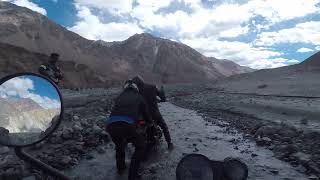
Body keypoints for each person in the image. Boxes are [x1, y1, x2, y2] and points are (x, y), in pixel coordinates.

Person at [107, 80, 153, 180]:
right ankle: (133, 175)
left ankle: (120, 168)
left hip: (111, 125)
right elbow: (145, 113)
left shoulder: (119, 97)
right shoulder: (139, 97)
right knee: (140, 146)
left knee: (119, 145)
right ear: (136, 88)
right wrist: (150, 122)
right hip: (127, 124)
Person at [132, 76, 174, 150]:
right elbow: (162, 97)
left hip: (142, 116)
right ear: (142, 80)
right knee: (164, 126)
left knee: (137, 128)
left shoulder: (135, 92)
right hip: (154, 113)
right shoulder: (152, 87)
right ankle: (169, 143)